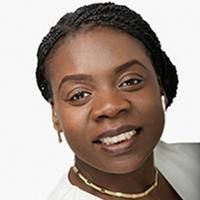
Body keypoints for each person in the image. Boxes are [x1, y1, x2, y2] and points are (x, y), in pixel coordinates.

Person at [36, 2, 200, 200]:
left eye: (130, 81)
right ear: (56, 116)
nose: (111, 107)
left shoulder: (193, 161)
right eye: (79, 95)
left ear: (160, 84)